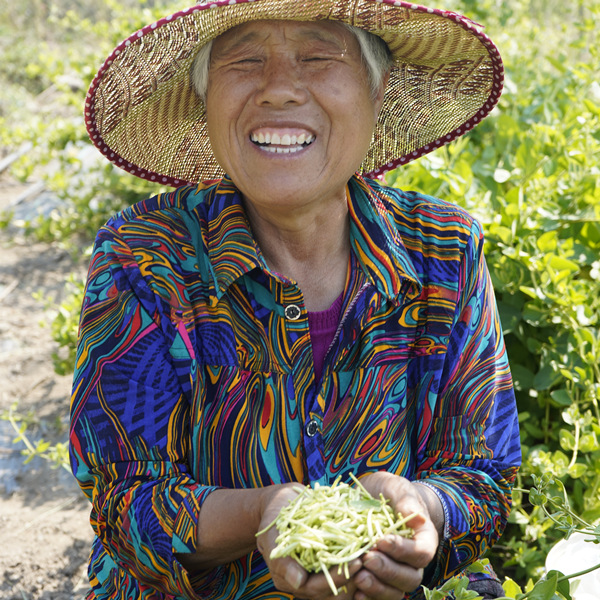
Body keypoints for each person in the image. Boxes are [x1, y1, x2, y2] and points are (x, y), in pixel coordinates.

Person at [70, 1, 521, 599]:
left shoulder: (444, 251)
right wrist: (265, 512)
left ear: (376, 89)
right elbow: (123, 500)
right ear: (205, 103)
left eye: (318, 56)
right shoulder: (142, 260)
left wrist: (422, 510)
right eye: (244, 60)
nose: (280, 89)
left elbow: (485, 476)